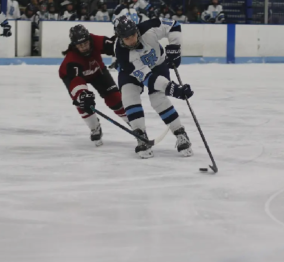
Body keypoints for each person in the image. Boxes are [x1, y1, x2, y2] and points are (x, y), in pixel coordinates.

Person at [113, 15, 194, 159]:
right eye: (127, 38)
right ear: (119, 38)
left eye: (133, 35)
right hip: (131, 72)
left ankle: (180, 133)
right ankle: (140, 135)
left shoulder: (148, 28)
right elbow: (148, 79)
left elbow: (174, 25)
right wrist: (173, 89)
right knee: (129, 95)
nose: (132, 40)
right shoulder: (122, 54)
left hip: (158, 65)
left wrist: (175, 47)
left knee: (158, 99)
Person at [59, 25, 127, 146]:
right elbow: (76, 79)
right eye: (80, 45)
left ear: (89, 39)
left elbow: (115, 46)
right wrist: (81, 94)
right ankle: (94, 127)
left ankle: (135, 125)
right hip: (72, 76)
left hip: (97, 71)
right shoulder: (72, 60)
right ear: (74, 46)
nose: (84, 47)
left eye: (85, 43)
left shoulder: (96, 40)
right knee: (83, 103)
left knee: (116, 100)